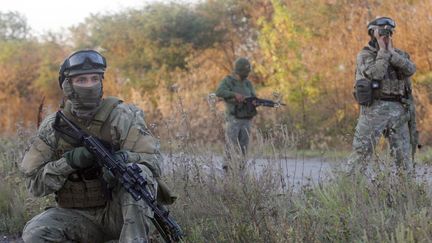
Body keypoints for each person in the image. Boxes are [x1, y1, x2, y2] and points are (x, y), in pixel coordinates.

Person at [20, 49, 168, 242]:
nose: (89, 85)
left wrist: (125, 159)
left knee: (139, 173)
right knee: (35, 234)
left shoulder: (122, 116)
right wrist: (69, 163)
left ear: (101, 82)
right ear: (68, 85)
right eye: (82, 80)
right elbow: (35, 186)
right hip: (77, 217)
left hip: (121, 216)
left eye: (94, 79)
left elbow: (154, 162)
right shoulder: (54, 126)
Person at [349, 17, 417, 174]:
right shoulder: (365, 55)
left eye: (389, 31)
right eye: (382, 31)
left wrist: (391, 54)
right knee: (360, 155)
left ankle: (405, 192)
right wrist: (383, 53)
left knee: (404, 157)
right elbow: (376, 73)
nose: (387, 35)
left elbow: (410, 69)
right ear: (372, 32)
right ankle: (349, 192)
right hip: (373, 110)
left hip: (398, 110)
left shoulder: (398, 54)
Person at [215, 57, 257, 158]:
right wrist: (234, 95)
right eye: (245, 71)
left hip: (246, 119)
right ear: (239, 70)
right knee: (231, 145)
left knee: (243, 147)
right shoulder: (229, 81)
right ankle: (228, 168)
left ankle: (240, 169)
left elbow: (253, 96)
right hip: (233, 119)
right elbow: (219, 92)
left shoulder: (248, 83)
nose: (247, 73)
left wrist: (255, 102)